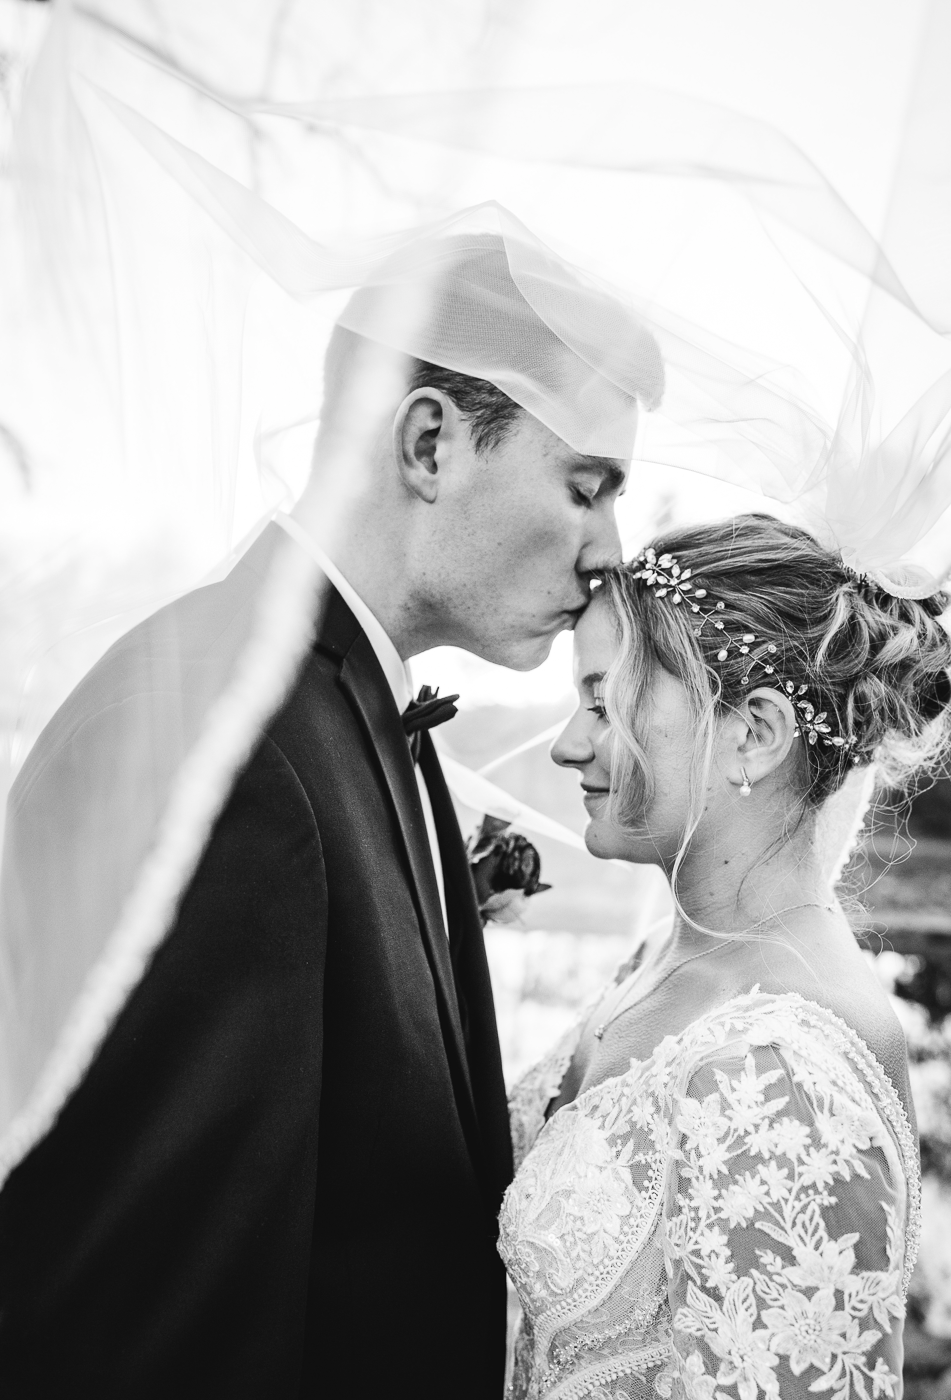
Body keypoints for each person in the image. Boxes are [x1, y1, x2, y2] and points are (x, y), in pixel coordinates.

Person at [0, 233, 661, 1398]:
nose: (611, 552)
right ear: (429, 443)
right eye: (586, 485)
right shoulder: (225, 740)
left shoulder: (348, 717)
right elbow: (149, 1331)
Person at [500, 514, 951, 1400]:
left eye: (602, 699)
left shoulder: (783, 1067)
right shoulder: (661, 958)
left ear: (753, 731)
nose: (566, 743)